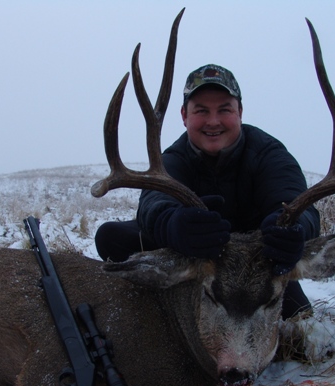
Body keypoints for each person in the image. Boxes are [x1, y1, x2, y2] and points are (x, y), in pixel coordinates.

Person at [94, 64, 320, 319]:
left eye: (224, 109)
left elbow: (298, 203)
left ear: (240, 112)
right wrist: (174, 225)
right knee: (111, 237)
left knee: (298, 318)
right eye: (201, 111)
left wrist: (290, 229)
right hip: (197, 259)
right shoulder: (172, 159)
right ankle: (171, 301)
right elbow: (152, 204)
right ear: (184, 115)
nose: (213, 122)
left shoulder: (269, 153)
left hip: (256, 264)